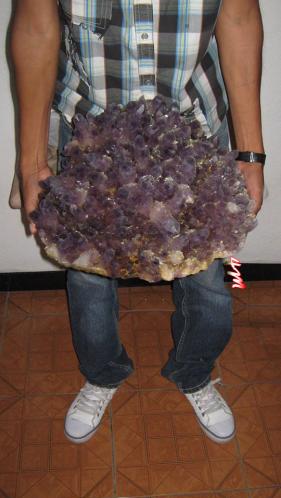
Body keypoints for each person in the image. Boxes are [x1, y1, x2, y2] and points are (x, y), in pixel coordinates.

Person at [11, 0, 265, 445]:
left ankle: (194, 371)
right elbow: (35, 27)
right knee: (88, 279)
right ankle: (102, 372)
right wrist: (32, 163)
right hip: (89, 135)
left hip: (194, 129)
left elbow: (240, 17)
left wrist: (250, 153)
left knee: (209, 279)